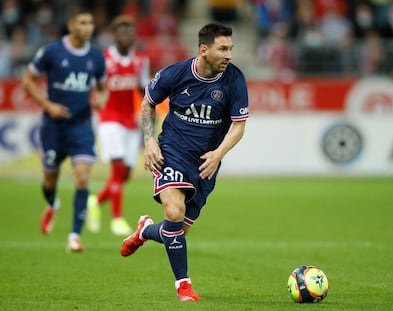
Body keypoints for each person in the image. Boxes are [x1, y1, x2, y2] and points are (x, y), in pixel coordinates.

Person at [120, 23, 249, 301]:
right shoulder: (175, 74)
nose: (228, 55)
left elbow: (239, 126)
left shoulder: (235, 80)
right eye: (222, 48)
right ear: (204, 50)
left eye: (230, 49)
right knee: (174, 212)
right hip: (172, 153)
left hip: (205, 164)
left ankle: (144, 230)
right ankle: (184, 286)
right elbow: (147, 103)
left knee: (175, 230)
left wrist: (218, 154)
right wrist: (149, 140)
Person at [22, 7, 108, 252]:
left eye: (90, 22)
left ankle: (74, 236)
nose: (88, 27)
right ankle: (52, 204)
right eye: (82, 22)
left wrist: (102, 98)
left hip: (80, 125)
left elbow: (103, 87)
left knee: (82, 177)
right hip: (53, 127)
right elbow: (27, 81)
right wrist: (47, 105)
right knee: (50, 179)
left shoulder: (96, 56)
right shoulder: (52, 51)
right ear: (71, 25)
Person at [86, 15, 150, 236]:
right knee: (118, 167)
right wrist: (94, 100)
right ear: (114, 36)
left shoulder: (141, 60)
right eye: (122, 32)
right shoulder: (103, 59)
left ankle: (95, 200)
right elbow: (92, 86)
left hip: (129, 122)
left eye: (130, 32)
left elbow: (143, 90)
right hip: (108, 119)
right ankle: (117, 219)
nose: (127, 36)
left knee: (126, 174)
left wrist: (151, 111)